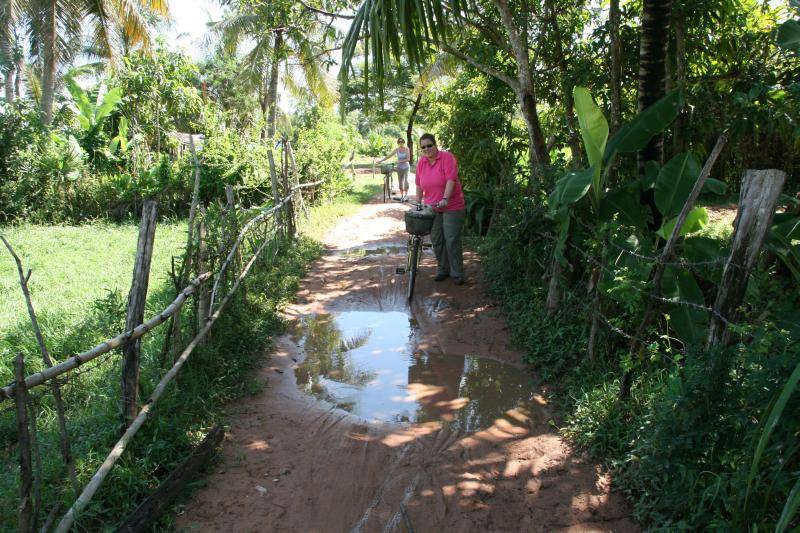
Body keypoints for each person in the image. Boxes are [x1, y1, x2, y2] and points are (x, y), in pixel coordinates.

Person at [414, 133, 466, 285]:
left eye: (429, 145)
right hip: (432, 207)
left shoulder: (446, 157)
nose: (427, 149)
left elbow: (451, 179)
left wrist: (445, 199)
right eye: (423, 147)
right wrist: (418, 203)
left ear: (435, 145)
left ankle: (457, 272)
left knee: (451, 239)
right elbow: (418, 184)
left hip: (452, 205)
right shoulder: (421, 163)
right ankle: (443, 269)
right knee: (436, 239)